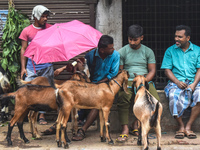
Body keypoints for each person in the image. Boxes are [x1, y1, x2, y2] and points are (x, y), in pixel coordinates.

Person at [71, 35, 120, 141]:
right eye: (110, 48)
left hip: (106, 85)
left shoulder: (115, 55)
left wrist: (97, 84)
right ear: (102, 50)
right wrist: (78, 68)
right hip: (90, 84)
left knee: (99, 102)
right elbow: (85, 72)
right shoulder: (90, 55)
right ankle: (61, 125)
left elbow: (112, 74)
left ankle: (82, 130)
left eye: (112, 47)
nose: (113, 49)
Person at [116, 24, 160, 142]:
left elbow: (152, 70)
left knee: (154, 100)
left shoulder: (148, 51)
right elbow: (121, 71)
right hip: (128, 81)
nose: (132, 42)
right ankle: (125, 129)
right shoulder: (122, 51)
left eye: (135, 40)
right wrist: (126, 82)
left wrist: (143, 82)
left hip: (144, 81)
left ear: (142, 37)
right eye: (130, 39)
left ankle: (136, 124)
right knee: (123, 97)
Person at [161, 25, 200, 139]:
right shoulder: (170, 51)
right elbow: (167, 70)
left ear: (188, 38)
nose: (176, 39)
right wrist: (177, 82)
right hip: (176, 82)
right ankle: (181, 126)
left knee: (199, 95)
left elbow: (199, 69)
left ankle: (188, 126)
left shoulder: (198, 50)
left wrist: (193, 84)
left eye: (180, 37)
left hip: (195, 82)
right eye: (175, 36)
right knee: (173, 95)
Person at [19, 5, 53, 125]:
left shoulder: (50, 29)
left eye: (46, 16)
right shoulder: (27, 31)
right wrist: (23, 68)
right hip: (31, 67)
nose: (45, 19)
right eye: (43, 16)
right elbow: (23, 49)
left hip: (47, 66)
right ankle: (23, 114)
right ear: (36, 17)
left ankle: (42, 116)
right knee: (27, 90)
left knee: (46, 91)